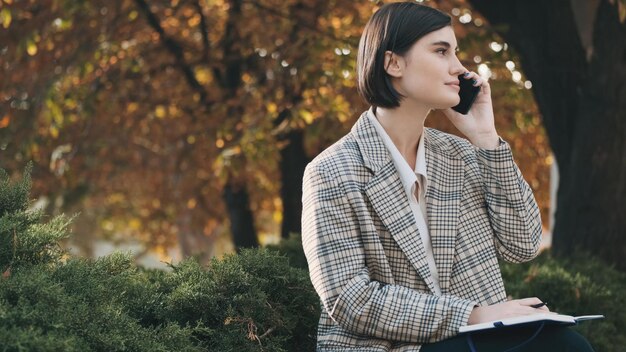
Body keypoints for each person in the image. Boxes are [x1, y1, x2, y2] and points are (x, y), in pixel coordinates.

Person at [300, 2, 595, 351]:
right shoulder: (332, 170)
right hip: (393, 346)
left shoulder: (460, 154)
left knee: (567, 345)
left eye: (456, 52)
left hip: (476, 337)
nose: (459, 68)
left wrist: (486, 139)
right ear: (393, 63)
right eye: (441, 51)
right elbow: (350, 299)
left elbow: (523, 244)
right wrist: (472, 315)